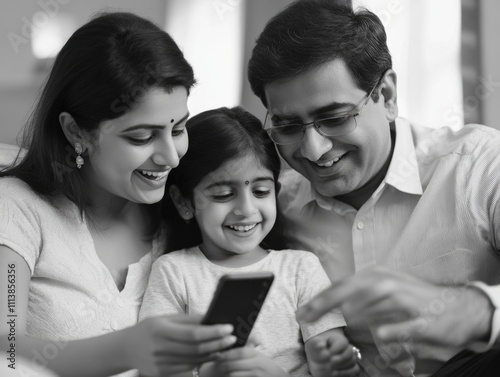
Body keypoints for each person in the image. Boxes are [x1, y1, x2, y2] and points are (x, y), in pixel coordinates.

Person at [247, 1, 500, 376]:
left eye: (334, 118)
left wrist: (474, 312)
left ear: (387, 95)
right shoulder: (275, 207)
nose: (313, 150)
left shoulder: (479, 164)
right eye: (287, 127)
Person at [0, 12, 236, 377]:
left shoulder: (179, 215)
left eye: (179, 128)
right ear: (76, 130)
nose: (170, 157)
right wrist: (125, 349)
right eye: (142, 137)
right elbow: (6, 350)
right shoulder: (18, 210)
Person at [139, 106, 361, 377]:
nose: (246, 209)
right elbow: (159, 368)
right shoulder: (174, 272)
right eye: (222, 194)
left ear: (275, 194)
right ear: (183, 201)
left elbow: (335, 370)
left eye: (260, 191)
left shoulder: (301, 269)